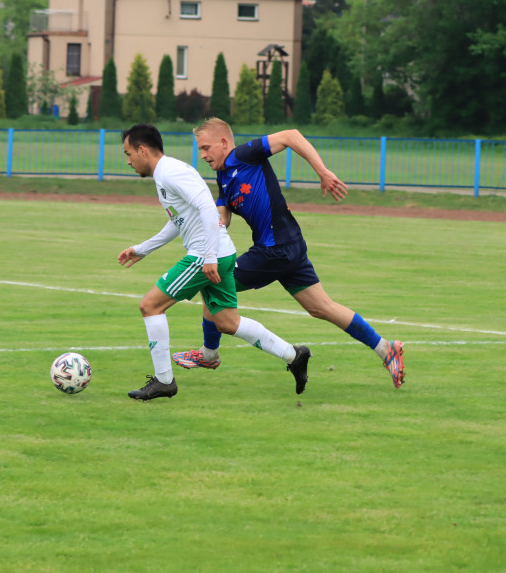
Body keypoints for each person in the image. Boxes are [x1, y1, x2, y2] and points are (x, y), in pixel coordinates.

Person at [171, 117, 406, 388]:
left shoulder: (245, 155)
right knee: (321, 308)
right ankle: (386, 349)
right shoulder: (223, 176)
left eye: (205, 148)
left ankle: (209, 355)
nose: (202, 155)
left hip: (275, 250)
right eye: (200, 149)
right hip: (288, 246)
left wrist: (322, 171)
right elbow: (222, 218)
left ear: (224, 143)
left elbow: (291, 135)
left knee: (212, 280)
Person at [117, 123, 311, 401]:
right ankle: (294, 355)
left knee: (150, 305)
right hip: (219, 252)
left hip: (205, 254)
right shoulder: (167, 173)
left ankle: (164, 381)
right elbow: (179, 221)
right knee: (227, 322)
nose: (128, 161)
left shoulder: (169, 173)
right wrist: (143, 248)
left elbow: (208, 208)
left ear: (142, 150)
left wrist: (207, 256)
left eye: (128, 153)